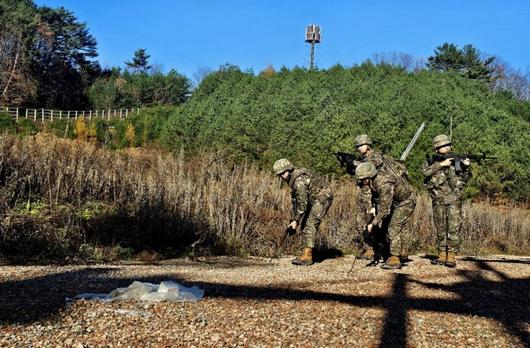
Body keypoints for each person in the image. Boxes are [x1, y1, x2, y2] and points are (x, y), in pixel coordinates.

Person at [355, 162, 416, 270]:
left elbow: (385, 209)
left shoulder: (384, 183)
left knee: (393, 227)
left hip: (405, 202)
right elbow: (377, 198)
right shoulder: (373, 181)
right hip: (394, 203)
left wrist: (372, 224)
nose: (362, 182)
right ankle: (387, 253)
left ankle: (395, 258)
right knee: (384, 229)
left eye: (363, 179)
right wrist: (373, 210)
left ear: (369, 176)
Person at [273, 158, 333, 266]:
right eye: (280, 174)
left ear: (289, 169)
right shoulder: (294, 179)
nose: (282, 176)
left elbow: (302, 205)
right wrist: (294, 220)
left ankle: (308, 256)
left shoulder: (298, 181)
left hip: (322, 197)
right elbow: (298, 202)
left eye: (283, 172)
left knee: (310, 223)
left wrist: (296, 220)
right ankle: (307, 252)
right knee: (305, 223)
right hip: (314, 198)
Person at [423, 134, 471, 268]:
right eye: (443, 146)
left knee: (454, 227)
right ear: (437, 149)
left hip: (454, 199)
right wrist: (441, 164)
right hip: (438, 198)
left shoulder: (458, 160)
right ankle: (442, 254)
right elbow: (425, 173)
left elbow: (466, 179)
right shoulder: (431, 161)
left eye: (448, 145)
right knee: (440, 228)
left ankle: (451, 255)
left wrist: (466, 167)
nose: (447, 147)